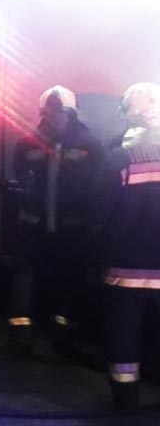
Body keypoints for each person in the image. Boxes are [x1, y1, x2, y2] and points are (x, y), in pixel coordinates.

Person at [3, 86, 103, 358]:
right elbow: (20, 174)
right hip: (33, 224)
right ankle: (20, 338)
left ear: (72, 113)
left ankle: (64, 339)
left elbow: (98, 184)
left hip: (71, 225)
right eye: (47, 112)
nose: (52, 117)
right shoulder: (28, 142)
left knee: (69, 280)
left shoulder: (89, 144)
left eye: (59, 112)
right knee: (25, 279)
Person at [93, 82, 160, 408]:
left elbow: (99, 210)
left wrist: (98, 252)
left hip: (125, 267)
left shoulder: (119, 158)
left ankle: (125, 395)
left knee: (124, 332)